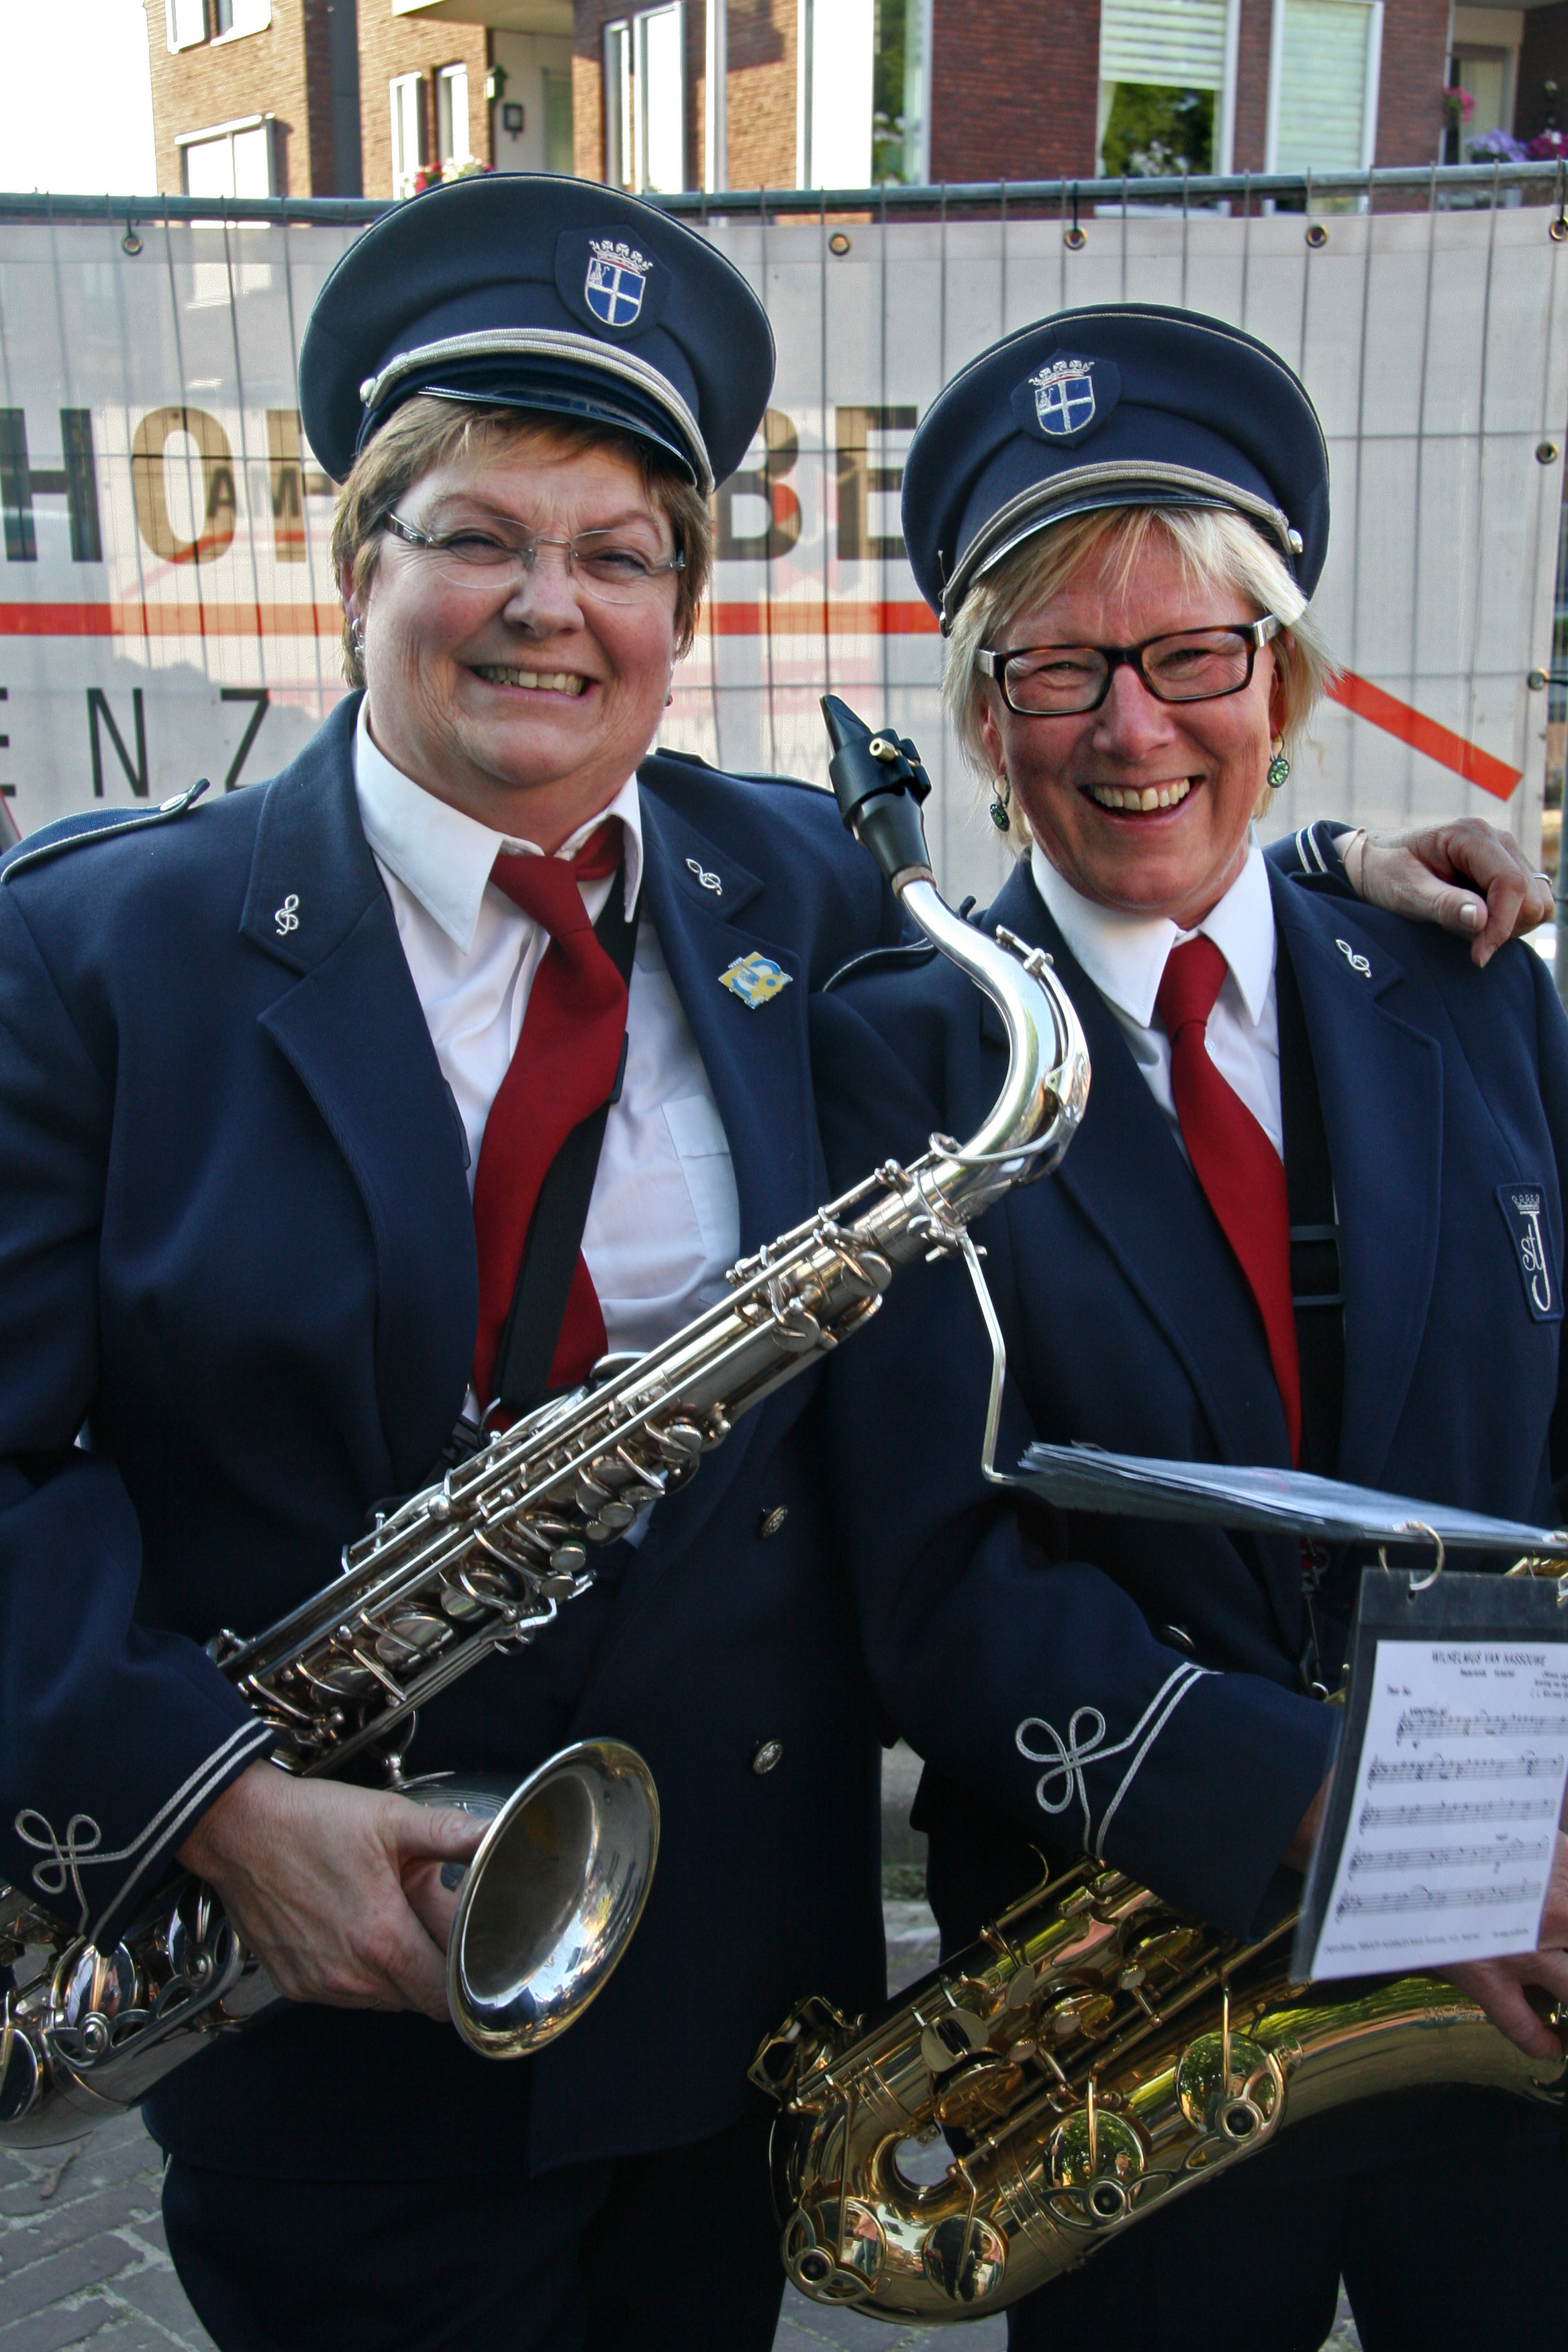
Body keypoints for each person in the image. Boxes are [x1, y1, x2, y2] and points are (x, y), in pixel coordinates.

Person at [0, 199, 1544, 2348]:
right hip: (327, 2027)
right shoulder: (95, 950)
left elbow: (1137, 859)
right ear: (357, 566)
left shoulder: (798, 888)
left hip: (715, 2027)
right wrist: (217, 1808)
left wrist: (1333, 869)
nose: (549, 606)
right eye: (477, 537)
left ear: (681, 613)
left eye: (620, 554)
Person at [814, 303, 1568, 2352]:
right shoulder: (902, 1057)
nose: (1132, 727)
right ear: (988, 726)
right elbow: (933, 1568)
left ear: (1283, 684)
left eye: (1192, 657)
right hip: (1137, 1994)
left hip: (1520, 1959)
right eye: (1058, 668)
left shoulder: (1477, 986)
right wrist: (1338, 1813)